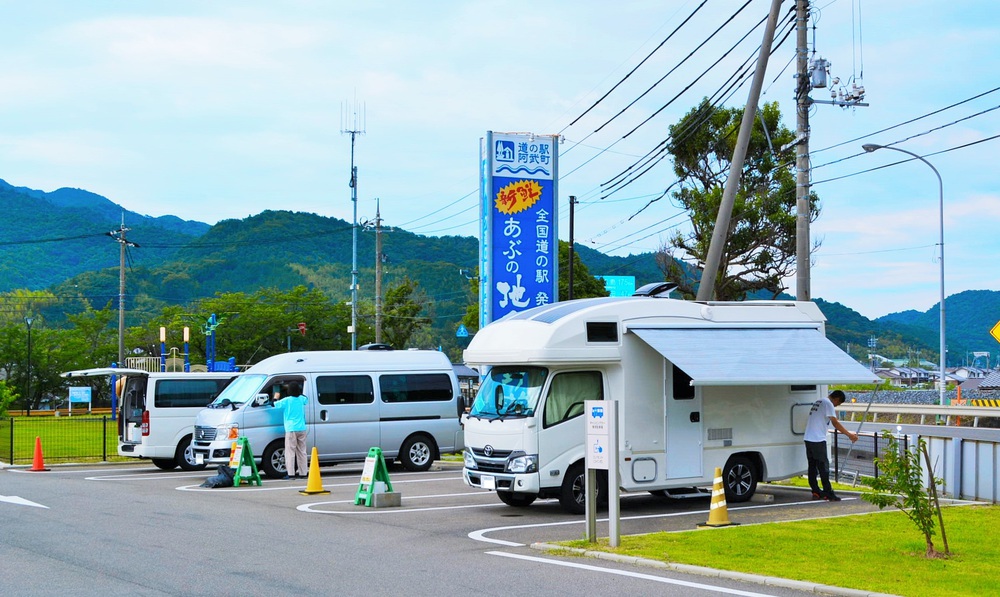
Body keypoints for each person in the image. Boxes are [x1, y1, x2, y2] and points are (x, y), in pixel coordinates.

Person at [804, 389, 858, 501]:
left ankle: (815, 490)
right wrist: (849, 435)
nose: (837, 406)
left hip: (808, 438)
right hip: (818, 439)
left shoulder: (819, 401)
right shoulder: (828, 403)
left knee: (812, 467)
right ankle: (828, 492)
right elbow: (835, 422)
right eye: (839, 403)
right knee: (824, 467)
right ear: (837, 399)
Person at [271, 380, 308, 480]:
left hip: (291, 429)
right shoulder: (301, 399)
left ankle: (291, 474)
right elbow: (306, 399)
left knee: (290, 452)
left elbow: (274, 404)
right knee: (302, 451)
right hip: (302, 428)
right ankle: (303, 473)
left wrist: (276, 396)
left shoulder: (286, 400)